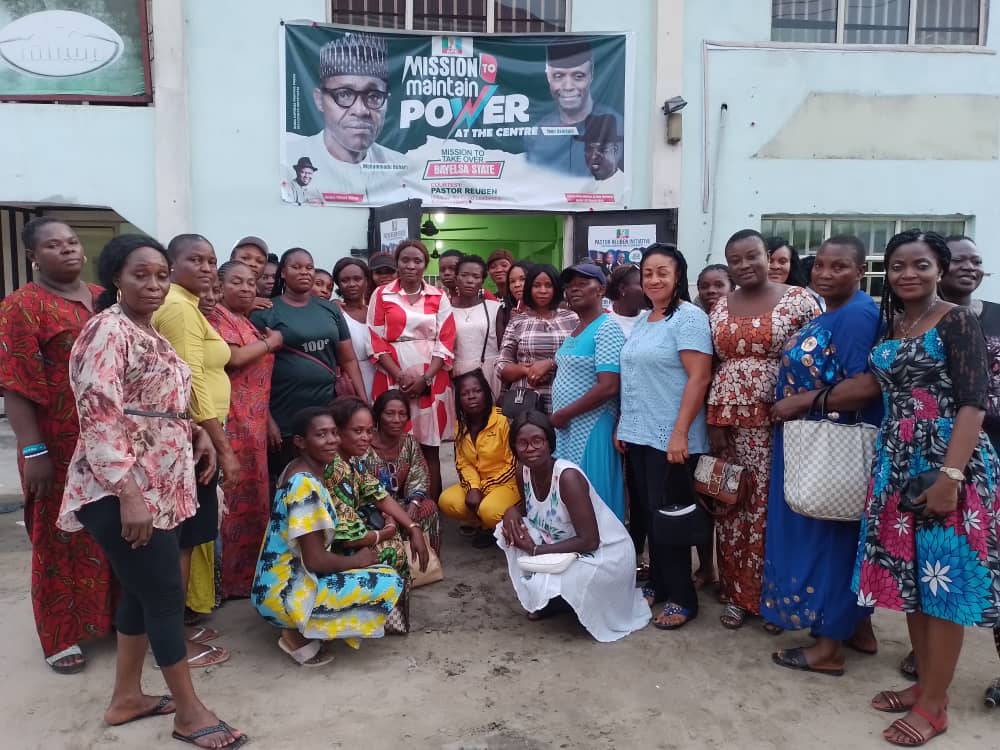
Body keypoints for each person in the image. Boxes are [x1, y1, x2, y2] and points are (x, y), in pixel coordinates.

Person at [59, 233, 247, 747]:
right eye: (141, 274)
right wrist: (128, 493)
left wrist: (197, 434)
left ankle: (126, 698)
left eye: (161, 275)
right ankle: (190, 713)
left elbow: (155, 405)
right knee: (164, 594)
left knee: (144, 594)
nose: (154, 284)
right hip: (124, 489)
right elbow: (99, 416)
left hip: (164, 482)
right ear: (116, 278)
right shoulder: (106, 331)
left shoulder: (149, 333)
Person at [854, 230, 1000, 747]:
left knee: (944, 587)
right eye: (897, 266)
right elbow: (880, 386)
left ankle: (936, 707)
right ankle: (924, 687)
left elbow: (973, 403)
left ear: (939, 269)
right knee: (916, 581)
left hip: (946, 460)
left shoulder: (957, 320)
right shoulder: (894, 322)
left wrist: (951, 477)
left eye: (920, 265)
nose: (908, 274)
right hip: (897, 458)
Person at [0, 217, 115, 674]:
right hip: (57, 445)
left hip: (108, 442)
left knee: (111, 532)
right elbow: (15, 385)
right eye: (53, 245)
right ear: (33, 256)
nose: (67, 250)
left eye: (71, 242)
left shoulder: (105, 298)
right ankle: (61, 636)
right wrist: (33, 452)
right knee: (58, 536)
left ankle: (107, 619)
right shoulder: (21, 307)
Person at [762, 236, 881, 675]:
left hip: (832, 449)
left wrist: (801, 402)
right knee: (835, 540)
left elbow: (867, 384)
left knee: (830, 543)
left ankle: (827, 648)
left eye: (840, 267)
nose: (826, 274)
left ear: (860, 270)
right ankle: (856, 629)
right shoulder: (833, 311)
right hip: (813, 442)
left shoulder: (856, 314)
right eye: (821, 266)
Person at [708, 229, 819, 630]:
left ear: (768, 256)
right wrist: (715, 422)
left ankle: (775, 599)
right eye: (734, 260)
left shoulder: (799, 300)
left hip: (782, 422)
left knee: (775, 511)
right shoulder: (720, 306)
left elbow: (818, 356)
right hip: (730, 424)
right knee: (733, 508)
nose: (743, 265)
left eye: (751, 256)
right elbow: (715, 366)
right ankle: (738, 594)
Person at [252, 407, 403, 666]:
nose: (332, 440)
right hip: (282, 593)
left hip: (277, 583)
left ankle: (304, 623)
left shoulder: (303, 471)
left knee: (361, 560)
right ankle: (295, 630)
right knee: (388, 581)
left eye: (334, 433)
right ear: (300, 442)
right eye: (321, 435)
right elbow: (315, 561)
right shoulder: (304, 485)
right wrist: (360, 561)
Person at [615, 244, 713, 630]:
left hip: (672, 438)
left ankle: (683, 598)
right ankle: (656, 581)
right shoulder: (645, 319)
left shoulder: (688, 319)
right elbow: (635, 376)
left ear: (678, 277)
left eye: (662, 272)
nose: (653, 279)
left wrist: (679, 433)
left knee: (669, 520)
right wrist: (625, 425)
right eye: (648, 272)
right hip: (639, 435)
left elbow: (699, 377)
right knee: (644, 515)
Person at [152, 233, 236, 663]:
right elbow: (190, 380)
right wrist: (220, 443)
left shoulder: (187, 305)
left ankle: (177, 627)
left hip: (196, 433)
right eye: (195, 260)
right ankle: (174, 643)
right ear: (172, 263)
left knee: (190, 537)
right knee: (182, 540)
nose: (206, 268)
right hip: (190, 437)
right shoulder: (179, 309)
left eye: (211, 260)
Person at [498, 411, 650, 642]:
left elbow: (590, 541)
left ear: (550, 443)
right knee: (506, 529)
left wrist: (537, 552)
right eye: (522, 443)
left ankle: (564, 600)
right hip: (562, 541)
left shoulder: (567, 478)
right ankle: (555, 599)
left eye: (538, 441)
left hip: (604, 554)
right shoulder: (523, 471)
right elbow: (530, 510)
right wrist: (511, 511)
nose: (530, 448)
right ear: (514, 448)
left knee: (565, 574)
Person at [938, 235, 1000, 704]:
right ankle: (933, 658)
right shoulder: (916, 322)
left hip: (988, 451)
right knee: (947, 562)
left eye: (977, 260)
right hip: (942, 455)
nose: (970, 267)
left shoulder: (995, 316)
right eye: (959, 259)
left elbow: (975, 397)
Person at [251, 247, 368, 473]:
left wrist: (363, 401)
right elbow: (254, 375)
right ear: (283, 273)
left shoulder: (329, 310)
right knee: (289, 478)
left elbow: (348, 360)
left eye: (309, 267)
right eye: (296, 267)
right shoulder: (266, 312)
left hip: (327, 409)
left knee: (330, 476)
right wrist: (268, 420)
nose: (304, 272)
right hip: (285, 413)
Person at [207, 261, 282, 600]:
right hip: (230, 423)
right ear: (220, 285)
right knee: (230, 504)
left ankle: (247, 577)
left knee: (253, 502)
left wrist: (267, 420)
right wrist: (272, 343)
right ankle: (221, 585)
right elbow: (234, 359)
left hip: (254, 425)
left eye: (252, 283)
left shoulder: (246, 321)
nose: (246, 288)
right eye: (236, 282)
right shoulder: (215, 318)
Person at [324, 397, 431, 633]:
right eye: (357, 431)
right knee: (391, 549)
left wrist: (413, 527)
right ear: (338, 432)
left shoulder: (351, 462)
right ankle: (381, 619)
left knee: (402, 535)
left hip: (349, 537)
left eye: (368, 431)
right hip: (330, 551)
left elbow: (379, 494)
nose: (365, 437)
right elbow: (349, 538)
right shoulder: (334, 469)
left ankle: (385, 616)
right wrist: (387, 532)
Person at [368, 239, 456, 500]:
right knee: (391, 446)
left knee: (429, 448)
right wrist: (399, 374)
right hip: (392, 378)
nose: (411, 265)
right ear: (397, 263)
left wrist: (425, 379)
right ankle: (393, 513)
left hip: (432, 380)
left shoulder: (438, 296)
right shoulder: (382, 295)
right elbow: (375, 338)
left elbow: (447, 340)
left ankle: (430, 515)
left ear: (425, 265)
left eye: (417, 261)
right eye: (405, 260)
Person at [284, 32, 406, 203]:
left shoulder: (402, 170)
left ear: (387, 102)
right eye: (344, 94)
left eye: (374, 96)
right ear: (319, 100)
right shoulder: (290, 157)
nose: (361, 110)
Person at [550, 263, 626, 521]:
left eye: (583, 284)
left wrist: (565, 413)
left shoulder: (607, 327)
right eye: (570, 286)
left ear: (601, 289)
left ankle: (606, 551)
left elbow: (609, 386)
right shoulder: (577, 328)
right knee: (573, 492)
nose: (574, 290)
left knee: (594, 492)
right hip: (569, 427)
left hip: (592, 426)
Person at [354, 389, 440, 555]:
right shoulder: (364, 444)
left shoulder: (409, 442)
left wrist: (414, 503)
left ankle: (426, 561)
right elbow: (362, 489)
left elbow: (419, 475)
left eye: (402, 414)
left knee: (429, 507)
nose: (396, 420)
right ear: (378, 416)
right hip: (371, 507)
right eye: (389, 413)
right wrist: (388, 514)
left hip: (400, 503)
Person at [440, 370, 520, 547]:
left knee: (490, 510)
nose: (471, 397)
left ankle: (495, 523)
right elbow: (463, 463)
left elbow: (513, 464)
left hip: (508, 484)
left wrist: (482, 489)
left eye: (477, 391)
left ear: (485, 392)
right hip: (478, 484)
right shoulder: (460, 425)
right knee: (447, 501)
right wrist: (473, 487)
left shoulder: (503, 420)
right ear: (459, 399)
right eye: (465, 393)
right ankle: (480, 522)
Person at [692, 263, 733, 589]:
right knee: (705, 496)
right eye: (705, 286)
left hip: (734, 419)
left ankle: (732, 573)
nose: (711, 291)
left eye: (718, 285)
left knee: (734, 496)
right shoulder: (695, 322)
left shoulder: (734, 324)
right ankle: (706, 566)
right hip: (699, 422)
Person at [524, 40, 623, 177]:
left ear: (591, 74)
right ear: (548, 76)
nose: (568, 86)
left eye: (578, 76)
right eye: (558, 76)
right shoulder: (537, 135)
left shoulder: (619, 126)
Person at [496, 264, 579, 414]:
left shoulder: (572, 319)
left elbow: (581, 355)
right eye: (536, 285)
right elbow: (501, 365)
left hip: (566, 399)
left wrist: (550, 363)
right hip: (526, 400)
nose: (542, 290)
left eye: (548, 285)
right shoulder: (517, 321)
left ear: (557, 288)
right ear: (529, 288)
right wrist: (528, 370)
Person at [452, 254, 502, 397]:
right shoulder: (445, 310)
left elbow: (503, 348)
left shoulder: (495, 308)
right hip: (457, 374)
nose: (469, 281)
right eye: (464, 275)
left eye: (476, 276)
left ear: (482, 281)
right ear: (456, 278)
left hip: (489, 372)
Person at [333, 256, 376, 401]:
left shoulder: (375, 311)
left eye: (357, 279)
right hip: (352, 382)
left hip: (381, 378)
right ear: (338, 284)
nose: (352, 284)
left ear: (366, 280)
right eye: (345, 280)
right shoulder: (336, 314)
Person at [577, 114, 624, 184]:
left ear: (614, 149)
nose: (593, 156)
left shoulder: (623, 185)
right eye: (589, 149)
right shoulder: (586, 185)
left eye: (601, 149)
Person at [495, 259, 532, 344]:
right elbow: (505, 348)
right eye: (512, 281)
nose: (517, 285)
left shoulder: (549, 310)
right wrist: (513, 324)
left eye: (523, 279)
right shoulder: (505, 310)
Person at [606, 263, 644, 338]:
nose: (648, 288)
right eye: (642, 284)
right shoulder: (604, 321)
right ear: (622, 288)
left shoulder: (651, 318)